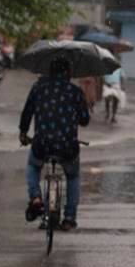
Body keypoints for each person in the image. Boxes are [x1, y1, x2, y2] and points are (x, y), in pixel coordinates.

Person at [19, 56, 90, 231]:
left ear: (49, 71)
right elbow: (85, 120)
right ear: (68, 73)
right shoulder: (75, 92)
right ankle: (69, 217)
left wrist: (23, 133)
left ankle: (36, 198)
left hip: (42, 144)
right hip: (68, 147)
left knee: (33, 166)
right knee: (72, 176)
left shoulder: (38, 88)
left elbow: (27, 112)